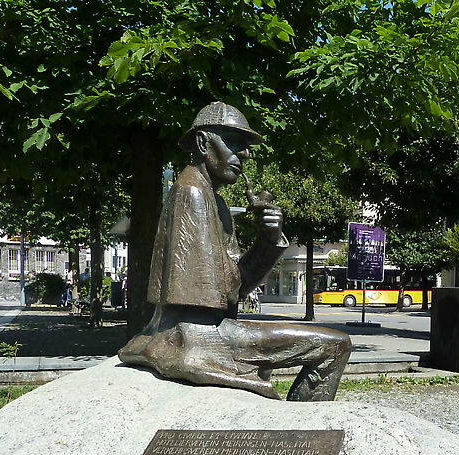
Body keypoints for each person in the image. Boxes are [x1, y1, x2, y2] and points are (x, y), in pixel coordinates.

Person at [119, 102, 351, 401]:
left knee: (334, 343)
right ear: (203, 143)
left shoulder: (217, 203)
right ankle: (298, 430)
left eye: (245, 145)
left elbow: (235, 286)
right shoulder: (192, 192)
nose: (244, 154)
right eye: (234, 143)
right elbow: (217, 296)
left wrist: (268, 239)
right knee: (335, 345)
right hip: (197, 334)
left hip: (212, 326)